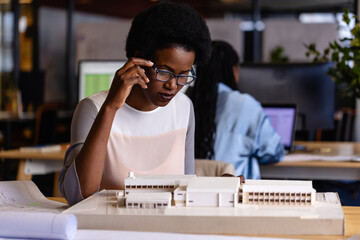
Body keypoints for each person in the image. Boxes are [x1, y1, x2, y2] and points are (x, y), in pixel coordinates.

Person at [59, 3, 211, 205]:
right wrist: (111, 107)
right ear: (138, 61)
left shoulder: (184, 108)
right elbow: (80, 195)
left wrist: (219, 187)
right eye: (164, 71)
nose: (173, 85)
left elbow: (187, 189)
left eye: (184, 75)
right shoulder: (93, 109)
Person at [190, 40, 284, 180]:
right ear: (234, 69)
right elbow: (273, 152)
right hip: (236, 193)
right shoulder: (246, 104)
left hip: (194, 193)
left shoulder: (185, 101)